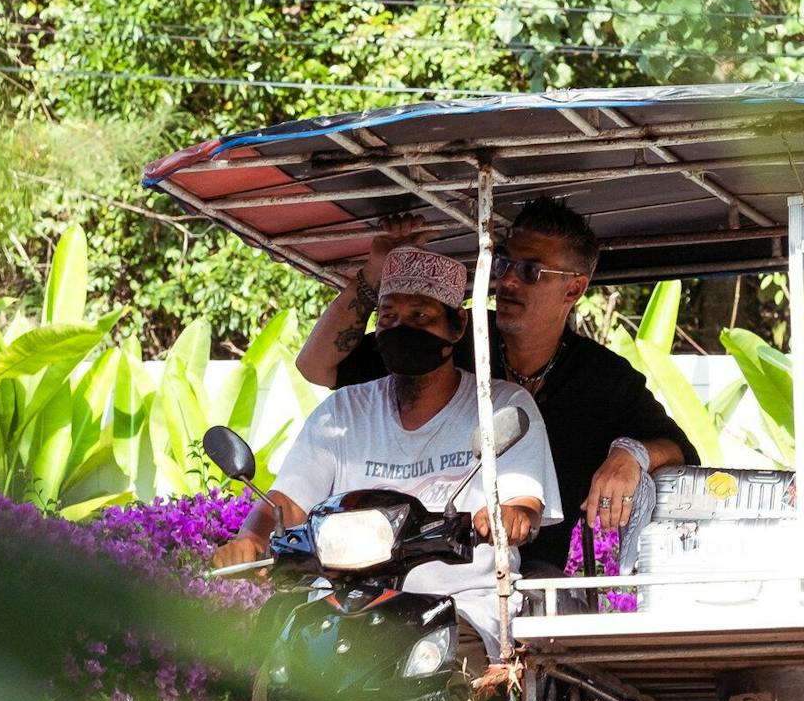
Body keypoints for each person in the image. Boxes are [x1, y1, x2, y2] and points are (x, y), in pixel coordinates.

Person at [295, 197, 696, 573]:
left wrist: (632, 454)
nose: (507, 283)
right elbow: (317, 367)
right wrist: (372, 275)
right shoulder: (448, 342)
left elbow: (681, 450)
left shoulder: (601, 377)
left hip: (531, 576)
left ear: (573, 289)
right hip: (408, 571)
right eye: (503, 265)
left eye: (529, 271)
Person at [212, 247, 560, 670]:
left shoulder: (500, 407)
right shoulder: (342, 413)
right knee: (276, 675)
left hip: (457, 611)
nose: (401, 329)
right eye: (389, 317)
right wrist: (252, 536)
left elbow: (524, 502)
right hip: (341, 610)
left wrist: (507, 515)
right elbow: (286, 501)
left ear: (457, 326)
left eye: (421, 317)